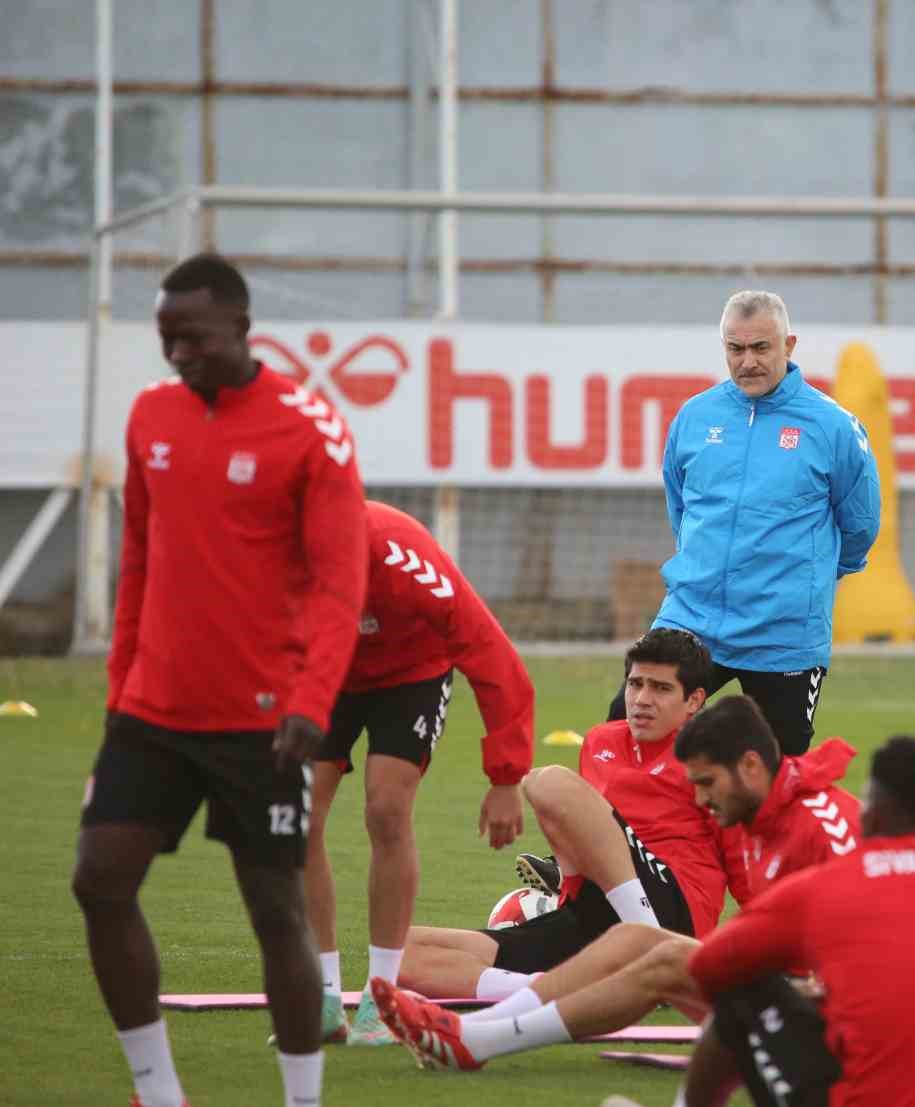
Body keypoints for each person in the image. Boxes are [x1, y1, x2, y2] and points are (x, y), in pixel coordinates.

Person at [72, 253, 367, 1107]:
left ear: (241, 328)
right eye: (165, 338)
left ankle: (302, 1099)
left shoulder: (311, 428)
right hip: (152, 713)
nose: (176, 354)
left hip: (263, 720)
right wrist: (118, 692)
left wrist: (314, 702)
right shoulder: (150, 418)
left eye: (192, 337)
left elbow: (339, 584)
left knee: (275, 907)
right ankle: (159, 1091)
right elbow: (138, 561)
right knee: (99, 878)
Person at [366, 695, 861, 1074]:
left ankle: (474, 1041)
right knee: (634, 941)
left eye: (708, 784)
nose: (703, 799)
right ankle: (472, 1031)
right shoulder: (759, 815)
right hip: (781, 995)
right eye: (635, 682)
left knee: (657, 953)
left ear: (750, 765)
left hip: (840, 1023)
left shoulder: (823, 824)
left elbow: (870, 943)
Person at [672, 736, 915, 1107]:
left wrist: (813, 996)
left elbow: (709, 966)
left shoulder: (830, 886)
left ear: (868, 814)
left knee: (742, 996)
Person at [606, 290, 882, 756]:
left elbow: (860, 526)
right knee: (625, 733)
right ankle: (650, 831)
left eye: (761, 348)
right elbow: (683, 509)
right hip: (692, 616)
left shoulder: (832, 427)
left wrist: (805, 580)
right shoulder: (695, 417)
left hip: (784, 630)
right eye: (736, 349)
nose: (748, 361)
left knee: (777, 771)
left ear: (789, 346)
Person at [302, 499, 535, 1045]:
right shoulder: (275, 559)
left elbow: (496, 661)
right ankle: (321, 997)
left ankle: (381, 1000)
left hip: (411, 673)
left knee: (386, 809)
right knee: (296, 816)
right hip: (327, 671)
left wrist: (505, 778)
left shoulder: (409, 565)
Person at [393, 628, 723, 999]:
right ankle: (557, 990)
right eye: (635, 684)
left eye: (660, 689)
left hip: (672, 916)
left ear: (694, 700)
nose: (642, 699)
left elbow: (745, 856)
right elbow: (584, 834)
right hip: (595, 910)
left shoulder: (712, 756)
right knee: (395, 952)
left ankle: (654, 949)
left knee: (547, 782)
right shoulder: (601, 741)